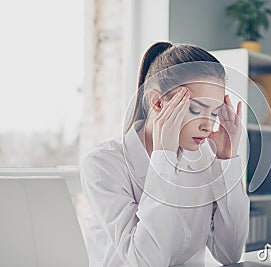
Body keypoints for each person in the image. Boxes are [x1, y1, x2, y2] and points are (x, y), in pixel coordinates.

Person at [80, 41, 250, 267]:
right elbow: (146, 262)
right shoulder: (103, 165)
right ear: (157, 103)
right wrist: (164, 158)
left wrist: (227, 160)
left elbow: (230, 254)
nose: (208, 126)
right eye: (196, 109)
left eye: (215, 112)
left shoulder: (204, 158)